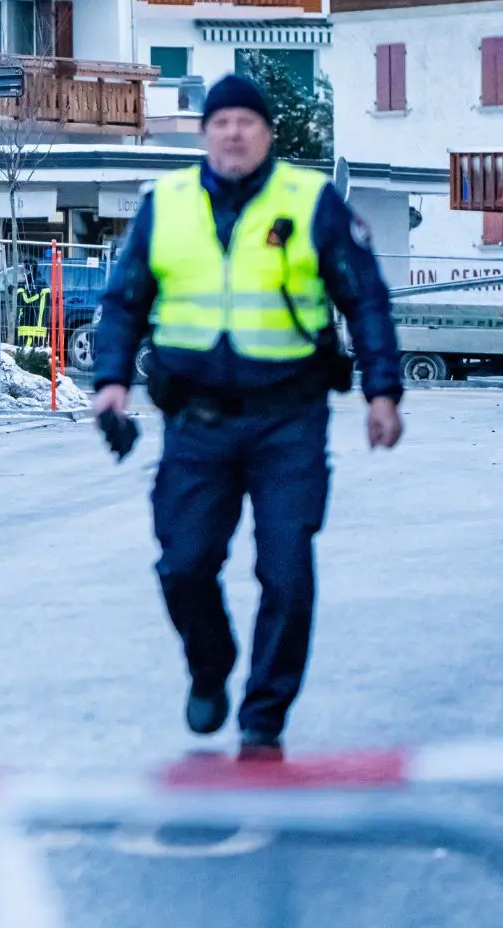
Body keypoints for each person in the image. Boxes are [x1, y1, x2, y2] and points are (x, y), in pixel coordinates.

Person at [89, 74, 403, 762]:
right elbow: (124, 302)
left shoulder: (311, 202)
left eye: (247, 122)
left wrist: (384, 392)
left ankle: (264, 715)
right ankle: (211, 664)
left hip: (289, 418)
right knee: (183, 565)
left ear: (268, 133)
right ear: (205, 134)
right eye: (221, 121)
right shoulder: (164, 205)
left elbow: (366, 300)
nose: (233, 132)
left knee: (287, 572)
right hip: (196, 423)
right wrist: (110, 382)